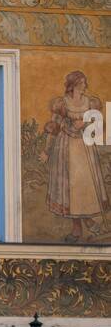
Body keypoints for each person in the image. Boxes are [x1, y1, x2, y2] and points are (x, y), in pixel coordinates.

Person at [45, 70, 109, 240]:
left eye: (85, 83)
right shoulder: (62, 104)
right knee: (71, 190)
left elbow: (99, 126)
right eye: (81, 83)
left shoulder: (91, 103)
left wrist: (86, 123)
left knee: (85, 186)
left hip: (85, 147)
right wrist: (46, 151)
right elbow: (54, 128)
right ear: (72, 86)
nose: (85, 86)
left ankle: (88, 222)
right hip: (66, 148)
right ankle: (78, 229)